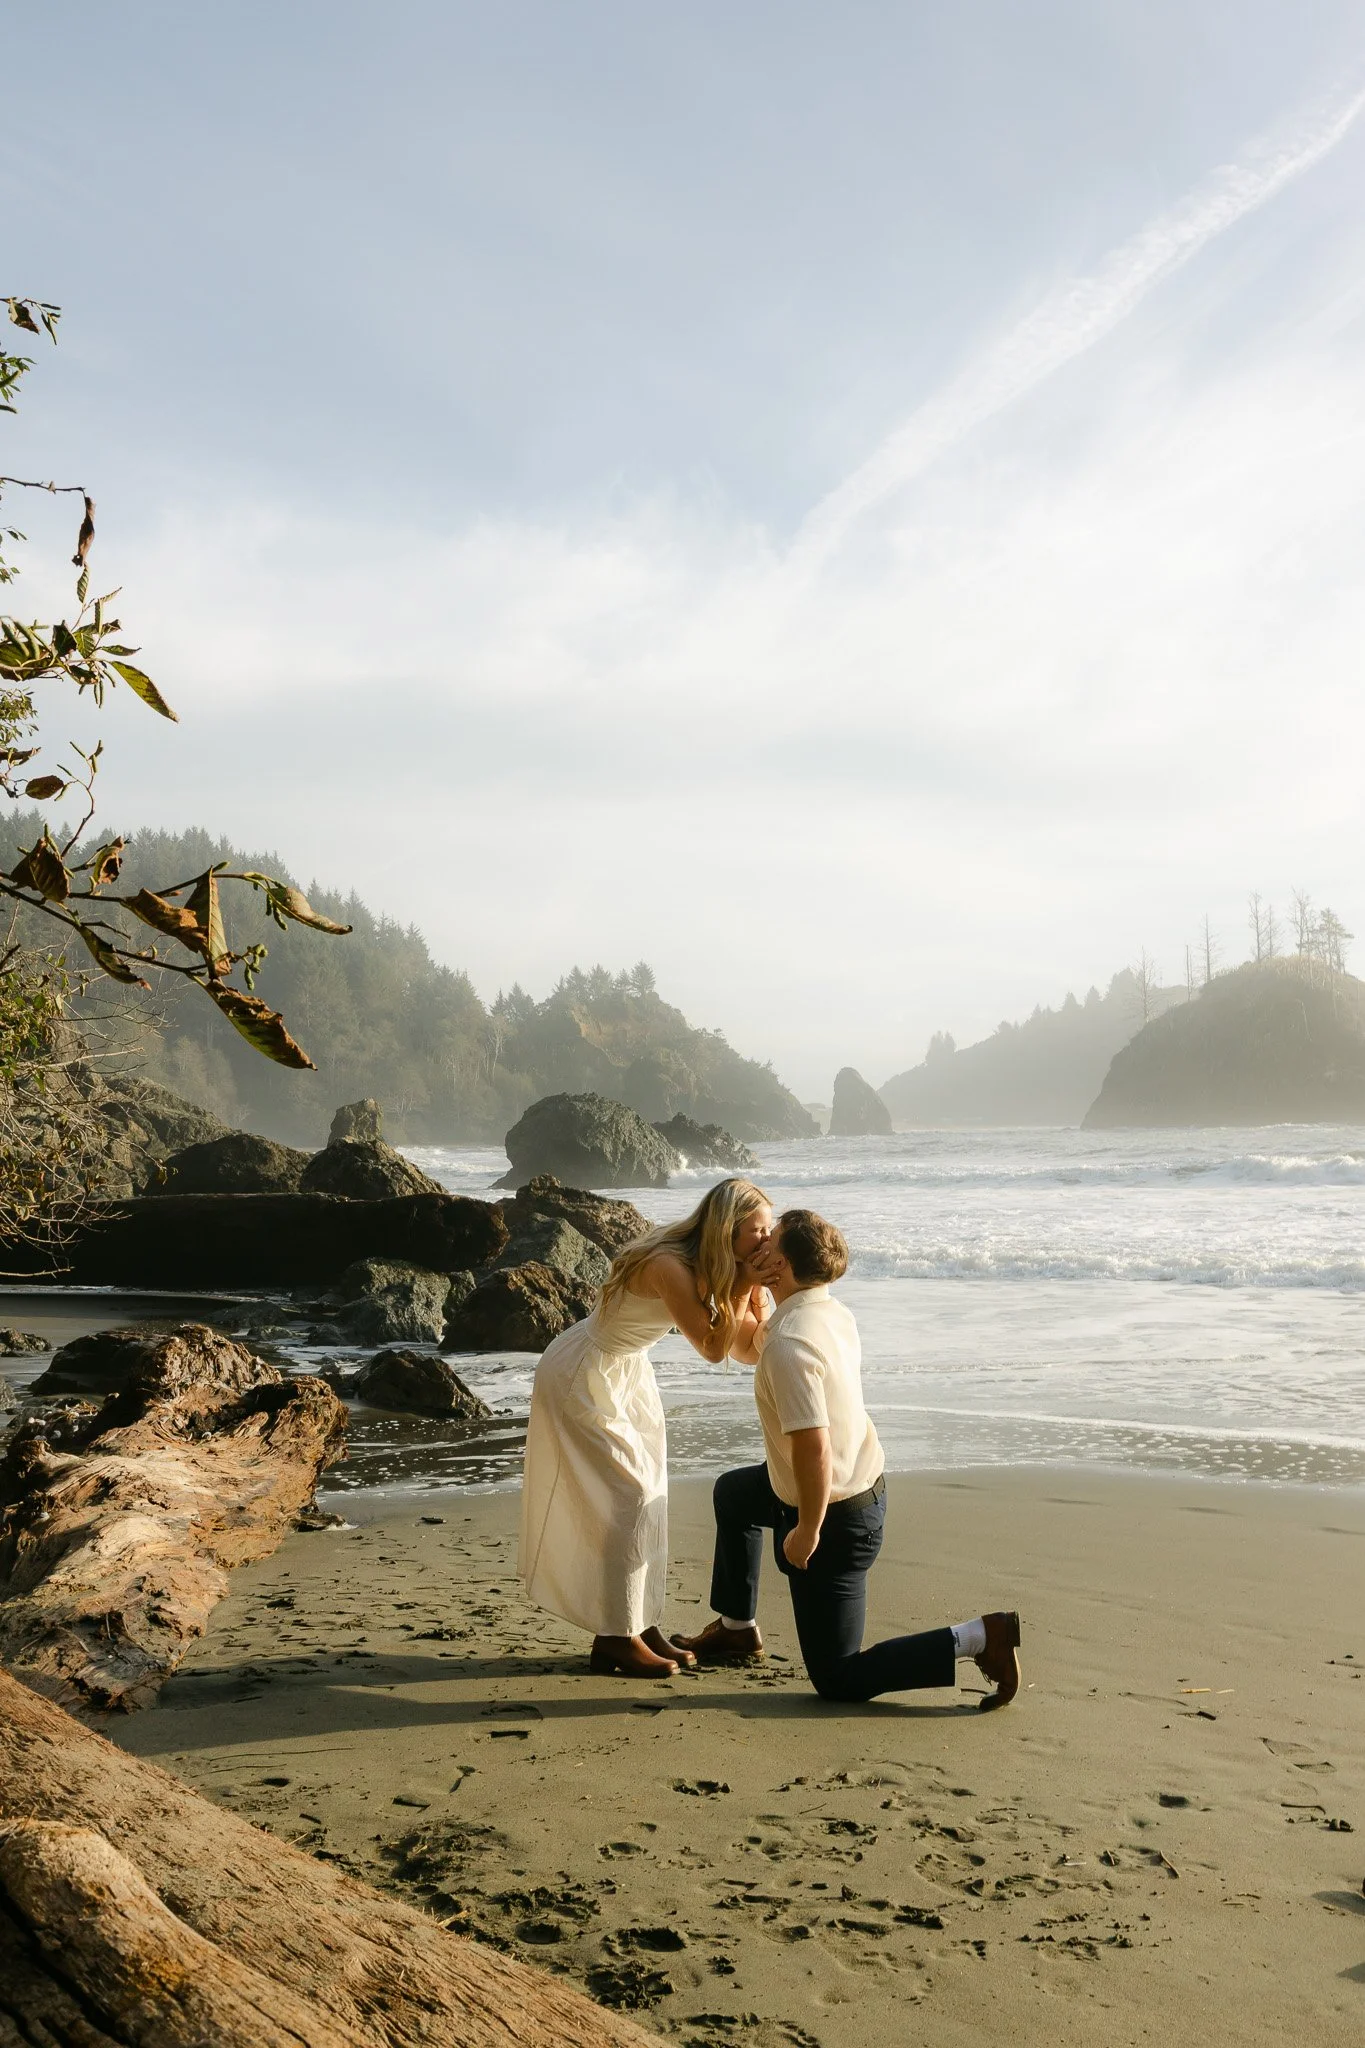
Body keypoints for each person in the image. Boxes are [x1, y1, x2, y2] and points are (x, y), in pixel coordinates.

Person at [675, 1207, 1022, 1708]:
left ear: (787, 1266)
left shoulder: (791, 1346)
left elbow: (813, 1449)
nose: (758, 1245)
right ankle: (735, 1629)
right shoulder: (826, 1310)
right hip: (849, 1486)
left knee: (837, 1678)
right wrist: (745, 1285)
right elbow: (747, 1342)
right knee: (732, 1494)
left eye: (768, 1240)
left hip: (836, 1520)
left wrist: (806, 1533)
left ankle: (978, 1637)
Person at [519, 1176, 773, 1678]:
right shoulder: (668, 1265)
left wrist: (787, 1319)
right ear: (727, 1232)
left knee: (650, 1493)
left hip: (627, 1373)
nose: (767, 1241)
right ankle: (614, 1638)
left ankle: (641, 1622)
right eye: (758, 1232)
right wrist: (749, 1284)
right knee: (630, 1495)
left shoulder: (712, 1265)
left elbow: (744, 1347)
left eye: (769, 1230)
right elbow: (714, 1348)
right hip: (584, 1373)